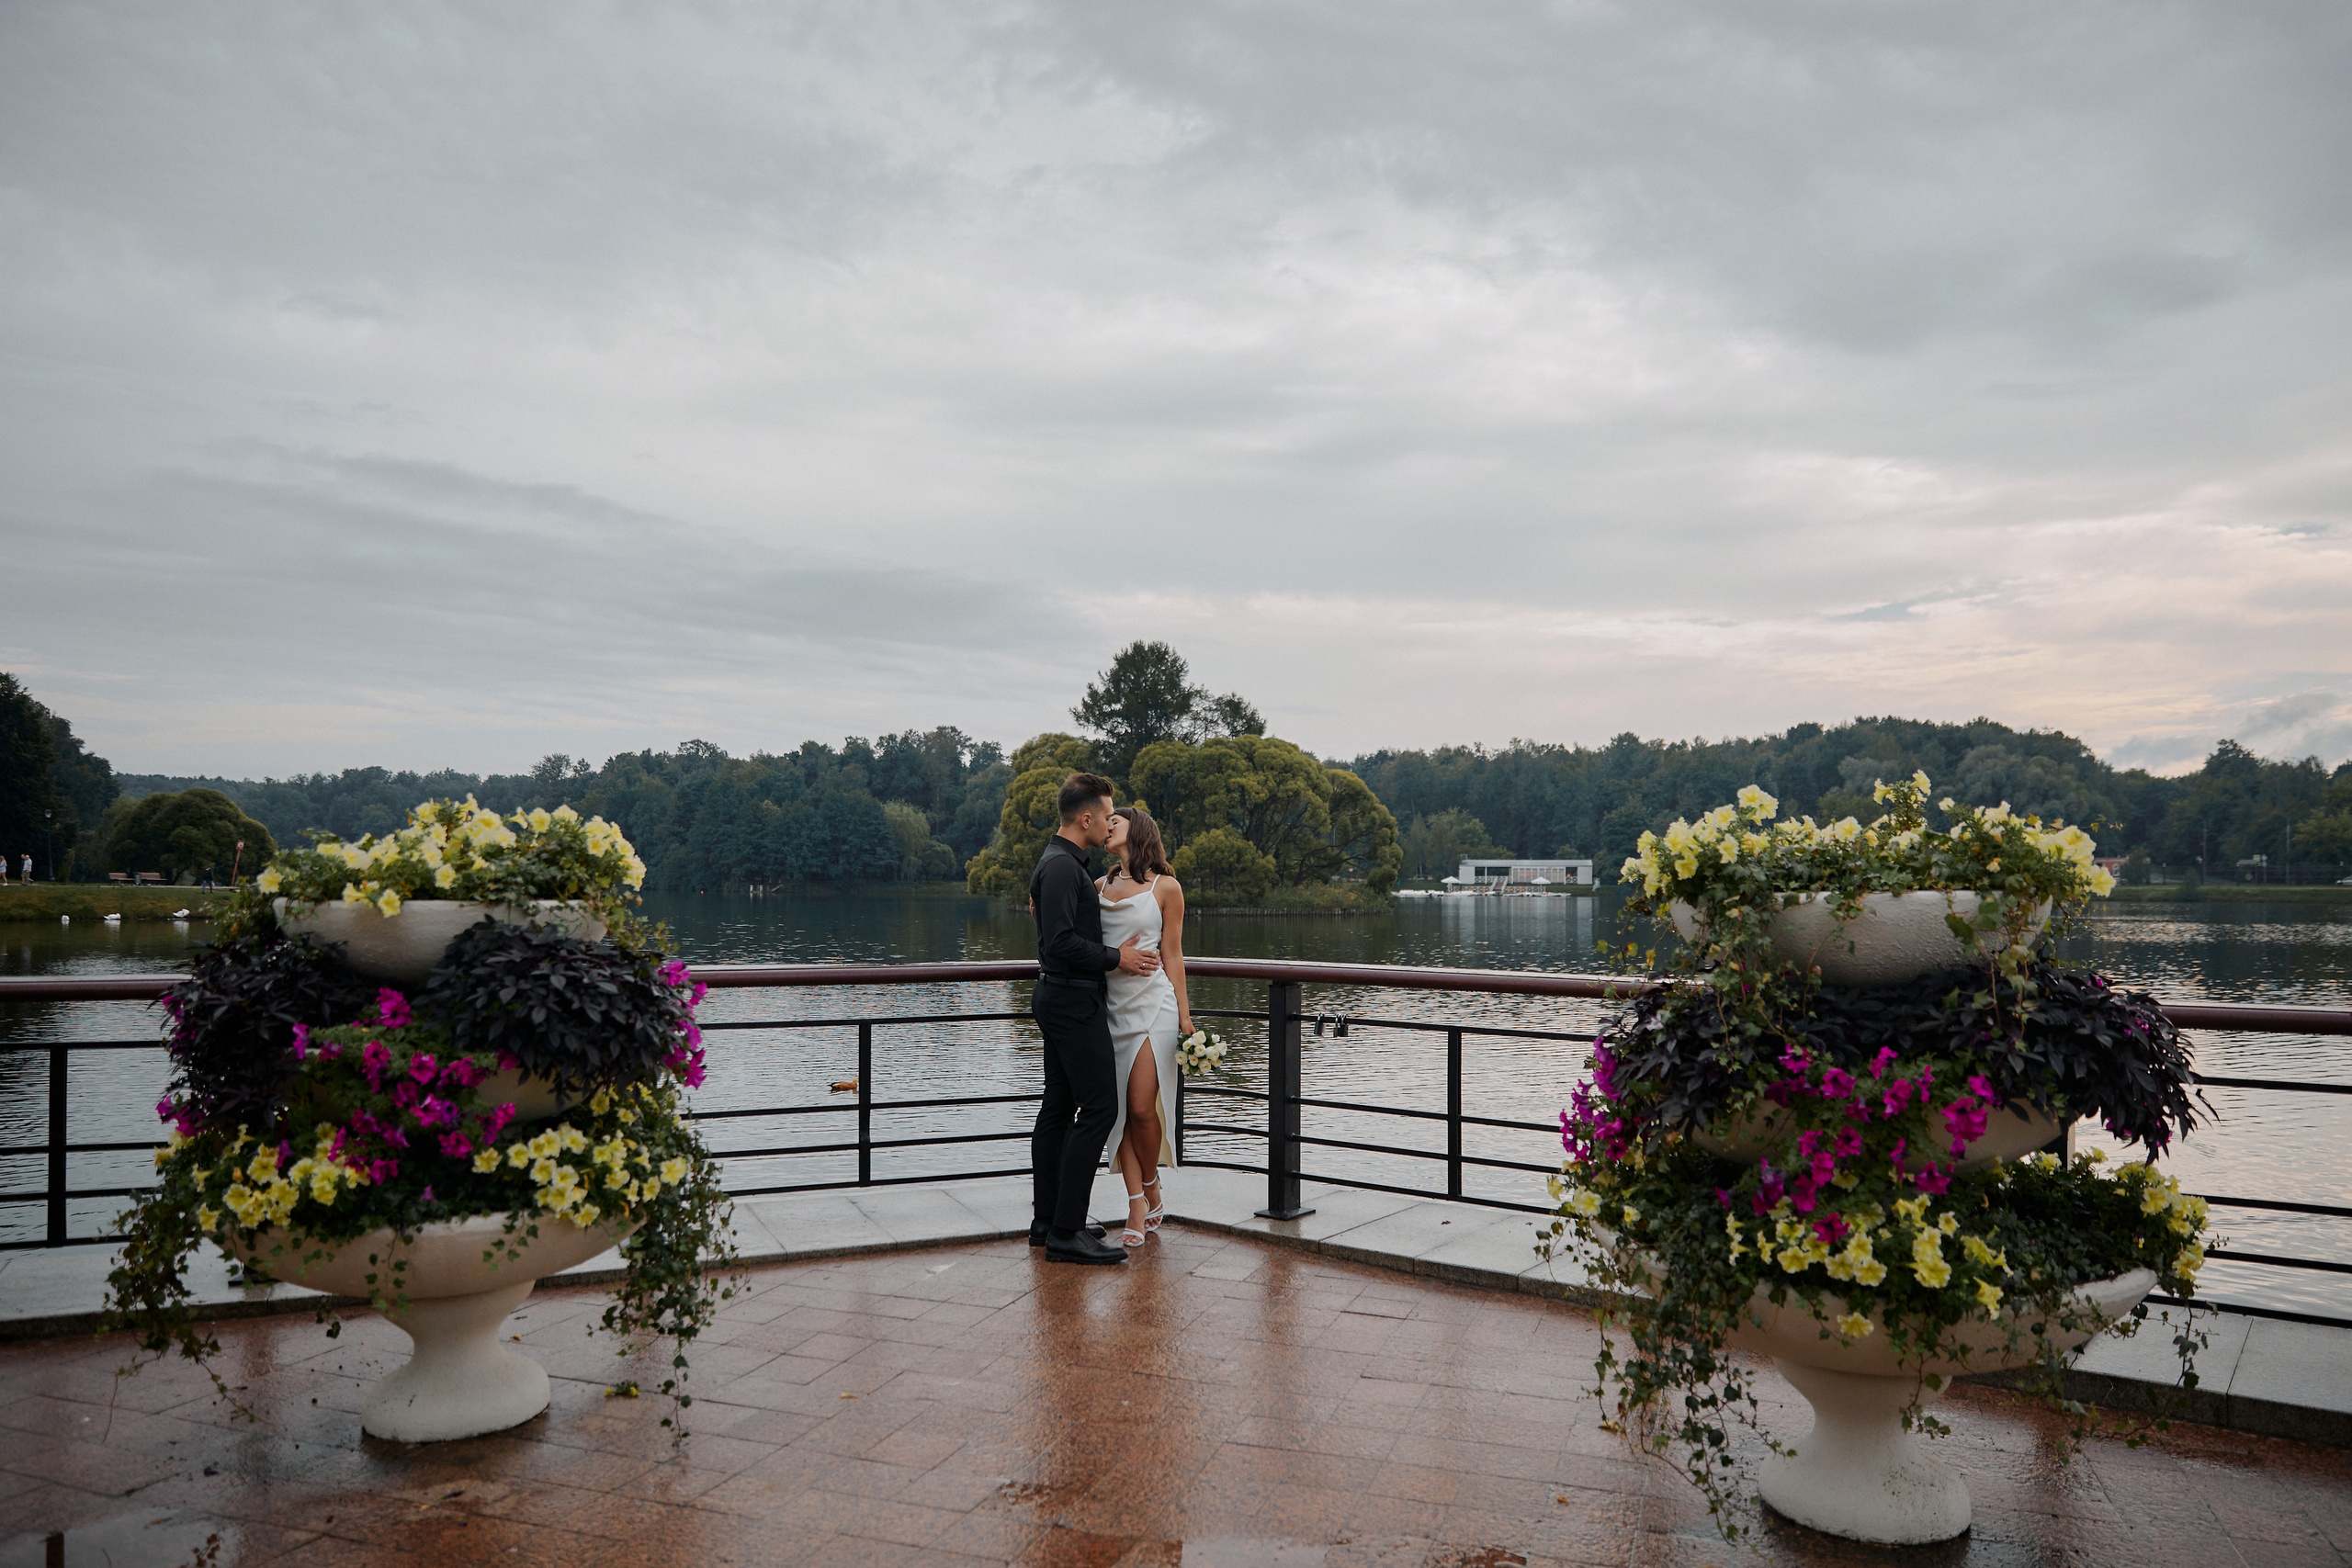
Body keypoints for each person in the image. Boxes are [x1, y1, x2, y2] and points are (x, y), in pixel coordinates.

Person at [1027, 772, 1160, 1265]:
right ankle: (1065, 1233)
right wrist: (1115, 959)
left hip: (1061, 999)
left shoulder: (1061, 864)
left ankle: (1048, 1223)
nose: (1110, 823)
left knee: (1059, 1108)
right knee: (1101, 1110)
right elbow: (1059, 943)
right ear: (1085, 818)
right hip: (1072, 1003)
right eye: (1106, 815)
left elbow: (1055, 933)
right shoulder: (1063, 868)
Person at [1098, 807, 1189, 1247]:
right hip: (1110, 1008)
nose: (1109, 823)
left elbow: (1173, 954)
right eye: (1106, 820)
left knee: (1140, 1108)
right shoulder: (1096, 886)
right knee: (1116, 1112)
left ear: (1141, 831)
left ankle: (1150, 1183)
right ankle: (1136, 1200)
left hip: (1154, 1006)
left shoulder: (1165, 887)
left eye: (1118, 819)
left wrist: (1187, 1018)